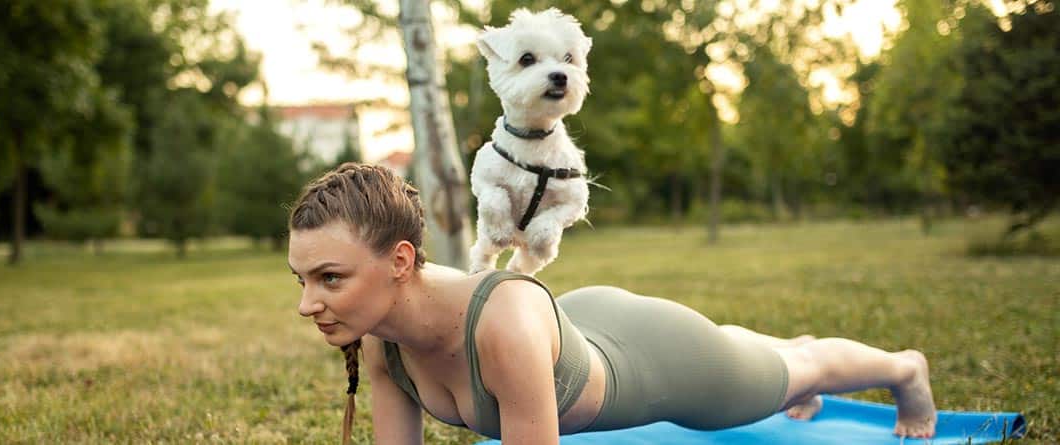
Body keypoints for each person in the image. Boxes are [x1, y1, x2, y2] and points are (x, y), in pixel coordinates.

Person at [287, 163, 937, 445]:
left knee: (793, 373)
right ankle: (772, 352)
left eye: (330, 278)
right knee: (756, 352)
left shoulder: (498, 329)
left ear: (401, 262)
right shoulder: (382, 339)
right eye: (302, 280)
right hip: (578, 325)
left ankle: (905, 368)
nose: (308, 303)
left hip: (653, 359)